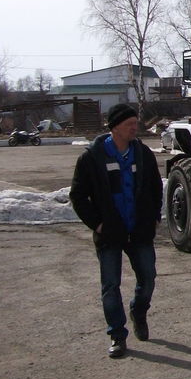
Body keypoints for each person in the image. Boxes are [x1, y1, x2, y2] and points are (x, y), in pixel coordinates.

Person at [70, 103, 163, 358]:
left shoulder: (142, 154)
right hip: (111, 233)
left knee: (148, 278)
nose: (135, 128)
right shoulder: (92, 157)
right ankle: (117, 335)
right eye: (129, 125)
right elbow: (78, 196)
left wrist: (154, 216)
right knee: (110, 285)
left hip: (140, 230)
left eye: (136, 123)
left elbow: (156, 187)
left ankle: (139, 311)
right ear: (114, 128)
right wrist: (98, 224)